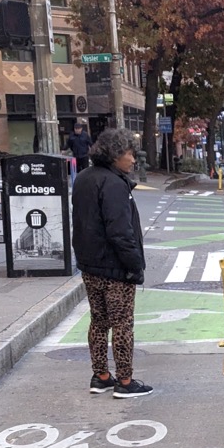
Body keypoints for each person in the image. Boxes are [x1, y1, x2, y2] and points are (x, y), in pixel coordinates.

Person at [70, 128, 153, 398]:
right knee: (122, 324)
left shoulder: (83, 178)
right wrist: (135, 266)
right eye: (129, 154)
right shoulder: (114, 184)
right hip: (115, 267)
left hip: (89, 264)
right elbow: (120, 231)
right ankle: (125, 381)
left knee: (99, 321)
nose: (133, 160)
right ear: (115, 155)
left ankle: (101, 376)